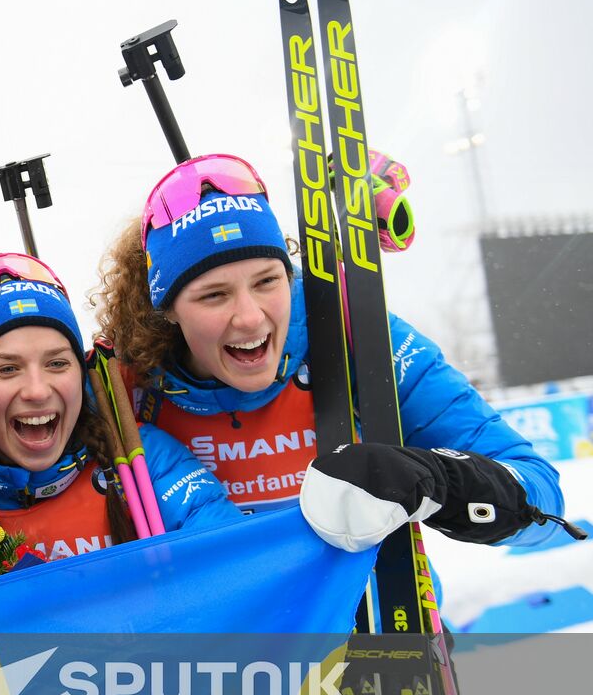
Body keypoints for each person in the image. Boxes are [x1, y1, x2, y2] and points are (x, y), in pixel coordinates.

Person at [92, 152, 568, 548]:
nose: (251, 317)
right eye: (213, 295)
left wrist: (435, 479)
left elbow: (543, 504)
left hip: (389, 638)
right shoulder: (128, 385)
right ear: (169, 307)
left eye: (267, 281)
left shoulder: (353, 336)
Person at [0, 252, 242, 553]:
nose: (38, 391)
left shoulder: (140, 455)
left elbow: (236, 559)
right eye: (8, 369)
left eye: (57, 364)